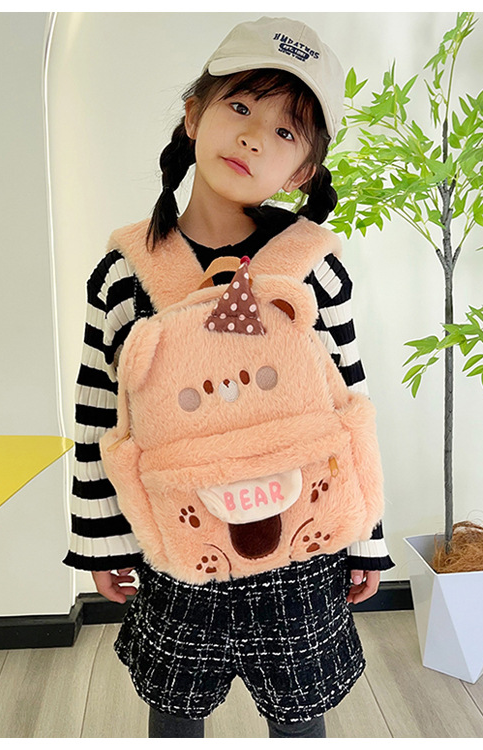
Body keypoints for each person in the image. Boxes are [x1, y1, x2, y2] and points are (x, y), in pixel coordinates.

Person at [63, 16, 394, 738]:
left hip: (304, 551)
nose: (252, 137)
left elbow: (349, 408)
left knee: (300, 721)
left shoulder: (313, 269)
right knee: (175, 716)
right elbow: (98, 417)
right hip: (180, 553)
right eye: (239, 106)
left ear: (302, 172)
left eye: (285, 131)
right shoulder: (124, 275)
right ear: (193, 115)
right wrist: (102, 540)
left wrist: (366, 535)